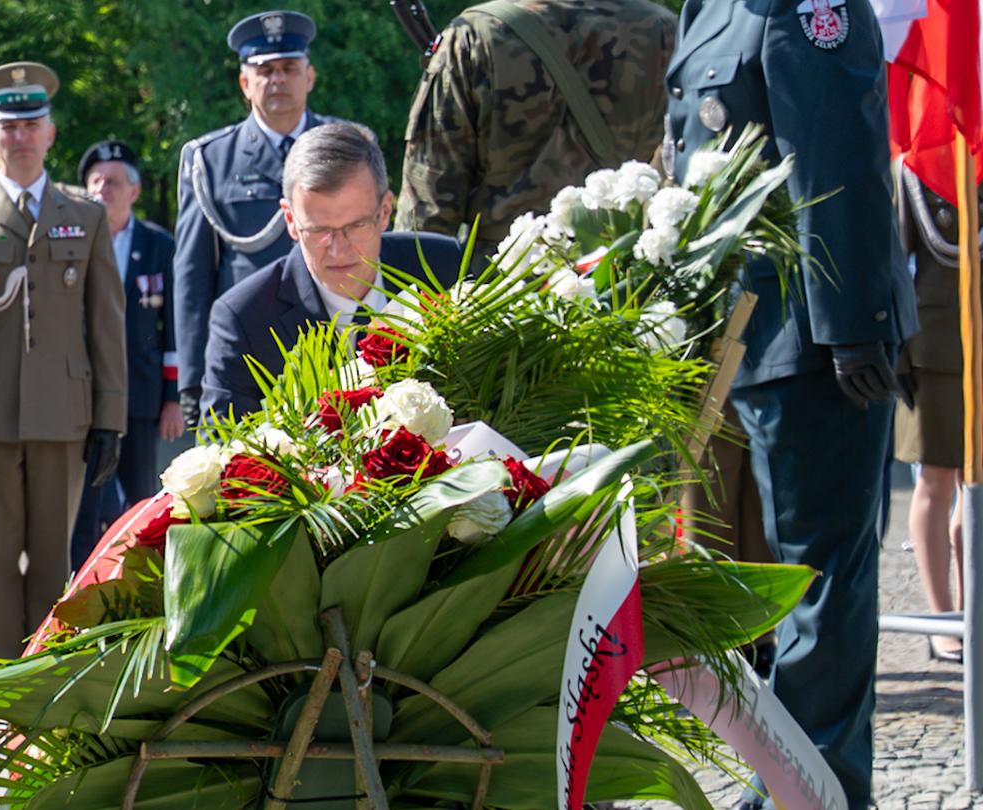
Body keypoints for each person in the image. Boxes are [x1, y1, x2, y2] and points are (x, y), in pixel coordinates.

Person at [666, 3, 917, 807]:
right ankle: (788, 776)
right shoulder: (707, 8)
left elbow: (836, 152)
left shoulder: (805, 6)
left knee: (822, 581)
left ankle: (823, 787)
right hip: (744, 335)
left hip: (819, 345)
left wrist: (856, 329)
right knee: (775, 579)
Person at [0, 61, 127, 673]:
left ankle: (45, 674)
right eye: (7, 127)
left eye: (31, 124)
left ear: (50, 133)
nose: (20, 137)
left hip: (64, 411)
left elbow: (106, 322)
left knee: (52, 557)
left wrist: (110, 417)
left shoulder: (84, 215)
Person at [200, 122, 464, 420]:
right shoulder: (245, 320)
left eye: (356, 225)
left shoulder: (442, 270)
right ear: (290, 219)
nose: (339, 249)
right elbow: (224, 451)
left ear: (386, 211)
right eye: (319, 230)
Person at [394, 0, 676, 256]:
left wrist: (402, 299)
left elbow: (427, 206)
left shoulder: (476, 34)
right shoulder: (664, 29)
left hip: (503, 286)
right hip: (624, 276)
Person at [174, 10, 339, 427]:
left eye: (289, 68)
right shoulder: (208, 160)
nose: (278, 79)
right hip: (249, 355)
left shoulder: (347, 149)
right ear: (245, 83)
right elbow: (193, 278)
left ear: (310, 77)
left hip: (339, 345)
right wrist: (192, 380)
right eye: (265, 70)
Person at [69, 141, 180, 565]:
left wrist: (172, 398)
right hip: (83, 395)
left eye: (113, 181)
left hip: (140, 394)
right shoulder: (71, 238)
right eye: (95, 181)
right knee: (85, 505)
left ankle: (141, 584)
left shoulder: (158, 245)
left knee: (140, 502)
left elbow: (172, 327)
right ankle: (81, 588)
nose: (103, 189)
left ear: (134, 191)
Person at [895, 165, 966, 663]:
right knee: (937, 481)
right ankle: (943, 622)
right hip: (936, 345)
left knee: (977, 490)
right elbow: (893, 263)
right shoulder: (918, 166)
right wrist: (895, 353)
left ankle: (975, 608)